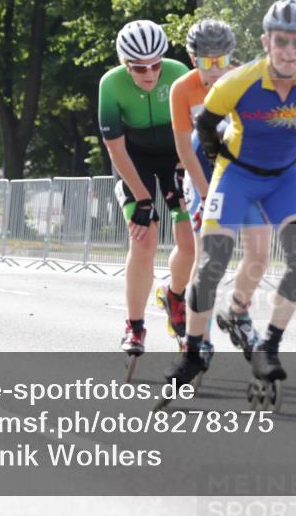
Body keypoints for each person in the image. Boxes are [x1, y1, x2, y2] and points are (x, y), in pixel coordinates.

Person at [166, 0, 296, 386]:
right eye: (282, 41)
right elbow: (203, 133)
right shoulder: (234, 83)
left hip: (284, 177)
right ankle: (193, 351)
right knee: (212, 262)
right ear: (265, 41)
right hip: (237, 175)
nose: (290, 52)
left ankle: (268, 345)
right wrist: (214, 172)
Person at [169, 19, 272, 363]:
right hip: (200, 172)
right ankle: (198, 341)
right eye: (204, 61)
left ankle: (238, 314)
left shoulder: (247, 81)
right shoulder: (182, 89)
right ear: (191, 57)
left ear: (232, 57)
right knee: (208, 260)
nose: (213, 70)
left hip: (240, 172)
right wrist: (204, 195)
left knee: (259, 253)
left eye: (221, 61)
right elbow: (185, 150)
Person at [97, 20, 194, 357]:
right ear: (126, 64)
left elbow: (194, 131)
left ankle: (174, 296)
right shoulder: (110, 84)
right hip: (133, 161)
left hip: (175, 158)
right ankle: (134, 326)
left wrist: (184, 171)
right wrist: (142, 199)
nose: (150, 73)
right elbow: (116, 149)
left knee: (189, 239)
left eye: (155, 64)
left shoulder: (178, 71)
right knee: (145, 237)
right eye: (140, 68)